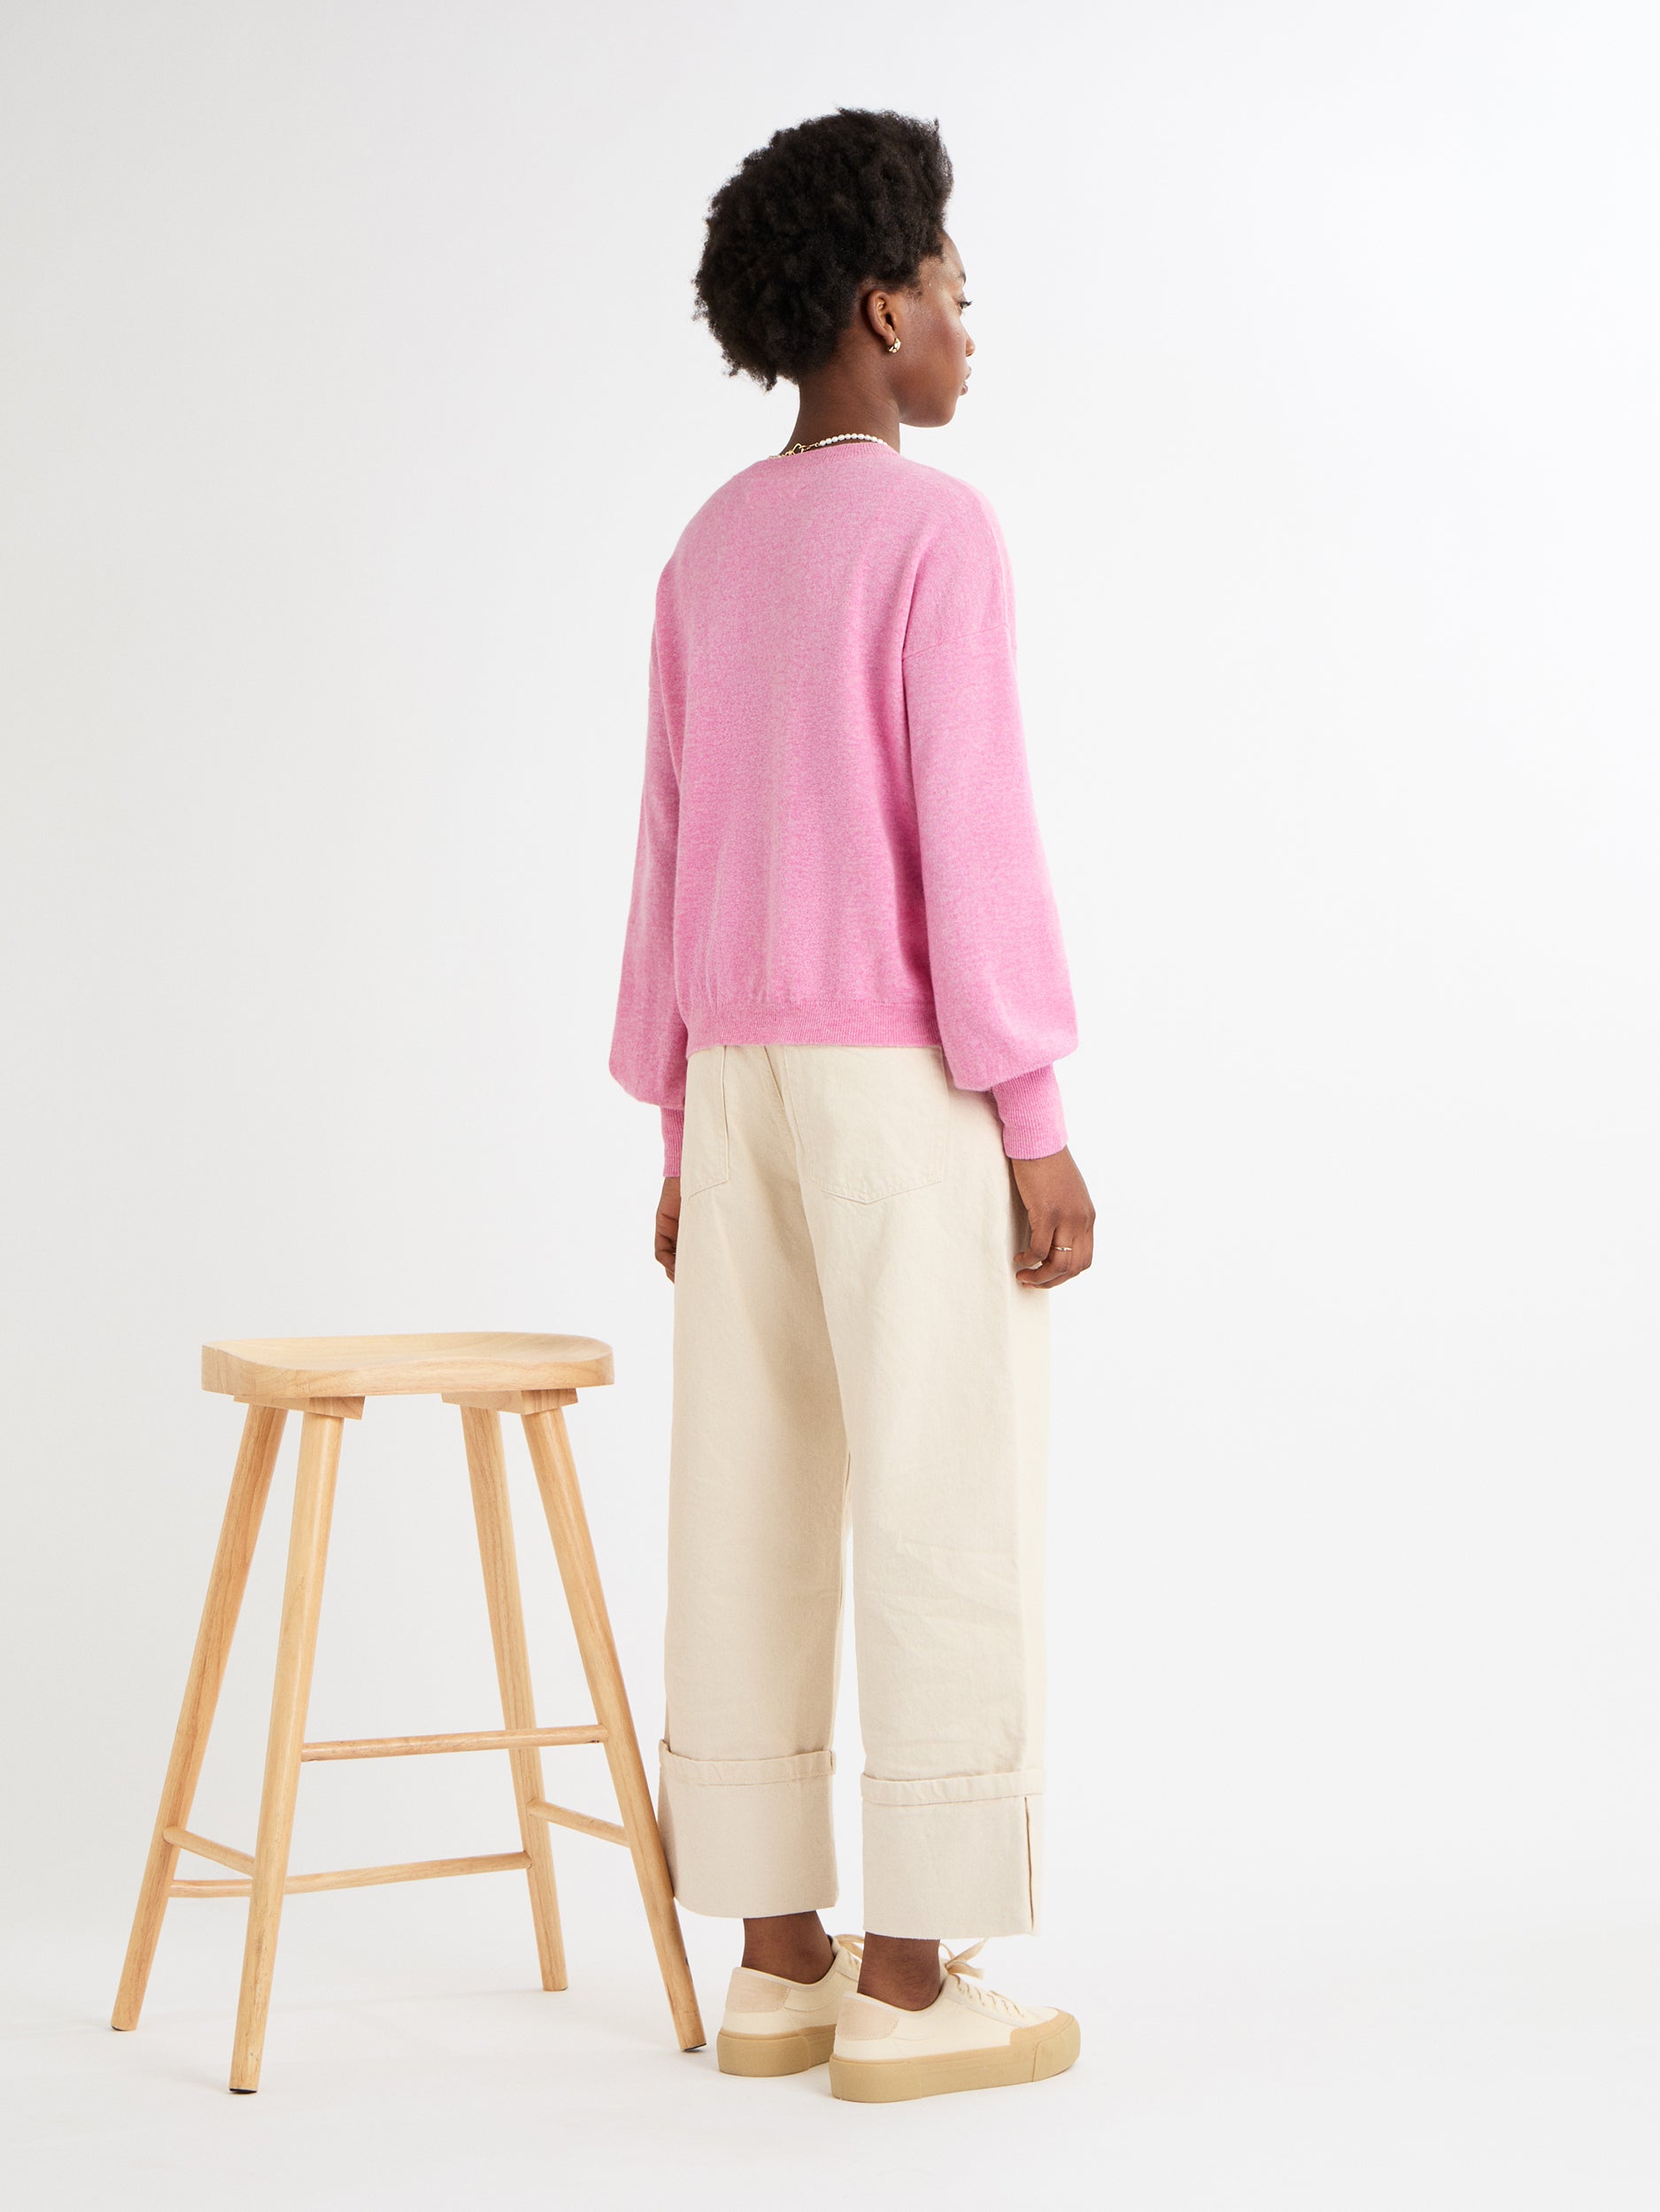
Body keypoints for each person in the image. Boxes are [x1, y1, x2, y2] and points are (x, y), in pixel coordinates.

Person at [609, 108, 1093, 2103]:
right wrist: (1033, 1114)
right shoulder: (931, 533)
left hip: (733, 1083)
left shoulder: (708, 548)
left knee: (745, 1491)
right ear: (882, 309)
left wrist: (674, 1134)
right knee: (937, 1490)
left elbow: (668, 855)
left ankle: (774, 1958)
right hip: (900, 1084)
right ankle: (907, 1980)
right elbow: (970, 840)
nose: (972, 328)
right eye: (956, 294)